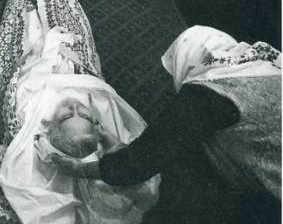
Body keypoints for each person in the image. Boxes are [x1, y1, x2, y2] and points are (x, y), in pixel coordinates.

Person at [0, 0, 160, 224]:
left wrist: (49, 52)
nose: (75, 106)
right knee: (63, 1)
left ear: (50, 125)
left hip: (38, 58)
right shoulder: (97, 106)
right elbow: (96, 86)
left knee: (29, 4)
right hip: (73, 59)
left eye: (67, 114)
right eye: (83, 114)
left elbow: (20, 73)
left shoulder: (32, 112)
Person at [53, 24, 281, 200]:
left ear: (188, 65)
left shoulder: (210, 94)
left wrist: (78, 168)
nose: (75, 108)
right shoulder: (258, 58)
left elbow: (137, 164)